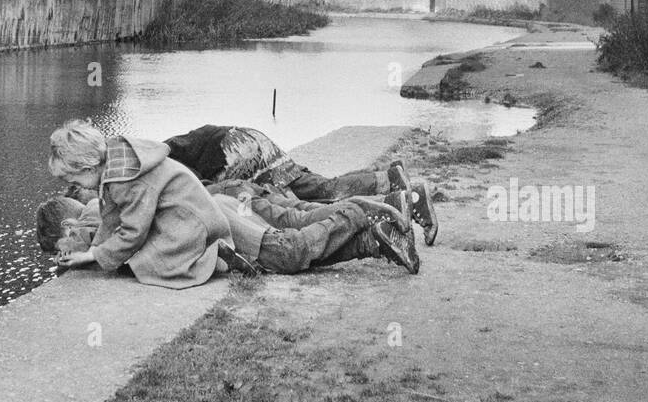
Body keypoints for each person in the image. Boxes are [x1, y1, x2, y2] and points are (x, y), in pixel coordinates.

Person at [37, 176, 420, 277]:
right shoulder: (99, 211)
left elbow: (115, 243)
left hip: (217, 218)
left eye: (60, 249)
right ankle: (372, 240)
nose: (63, 257)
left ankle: (357, 211)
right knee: (297, 230)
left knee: (291, 253)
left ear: (70, 228)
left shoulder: (99, 217)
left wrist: (84, 257)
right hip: (224, 201)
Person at [162, 123, 440, 245]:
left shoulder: (163, 162)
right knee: (316, 189)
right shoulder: (158, 153)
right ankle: (394, 183)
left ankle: (398, 197)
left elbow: (198, 191)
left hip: (235, 152)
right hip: (246, 140)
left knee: (299, 207)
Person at [46, 119, 229, 289]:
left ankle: (214, 259)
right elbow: (111, 218)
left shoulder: (125, 181)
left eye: (76, 182)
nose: (76, 187)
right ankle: (208, 253)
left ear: (89, 169)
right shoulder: (114, 160)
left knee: (147, 266)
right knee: (126, 258)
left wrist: (93, 256)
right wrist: (94, 250)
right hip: (183, 216)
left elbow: (133, 233)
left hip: (191, 223)